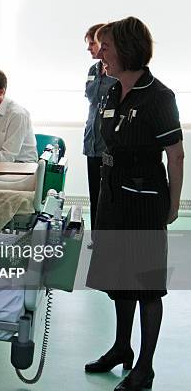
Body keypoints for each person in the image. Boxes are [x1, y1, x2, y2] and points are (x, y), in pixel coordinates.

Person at [84, 17, 184, 391]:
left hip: (144, 201)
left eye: (106, 47)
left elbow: (175, 156)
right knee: (117, 279)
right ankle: (121, 346)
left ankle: (145, 366)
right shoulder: (111, 92)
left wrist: (172, 207)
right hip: (112, 197)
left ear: (126, 49)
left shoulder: (159, 97)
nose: (101, 53)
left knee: (145, 286)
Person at [83, 23, 117, 249]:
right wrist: (99, 82)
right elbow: (91, 94)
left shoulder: (117, 72)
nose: (89, 49)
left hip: (108, 144)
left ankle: (111, 239)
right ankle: (97, 238)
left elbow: (108, 95)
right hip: (92, 140)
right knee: (94, 193)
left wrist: (101, 83)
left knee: (109, 195)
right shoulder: (93, 71)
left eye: (91, 44)